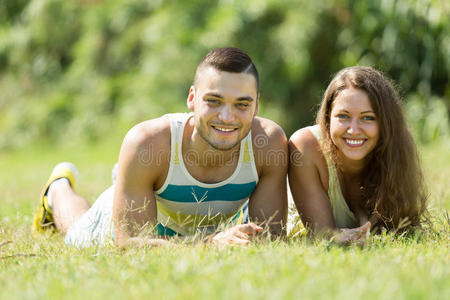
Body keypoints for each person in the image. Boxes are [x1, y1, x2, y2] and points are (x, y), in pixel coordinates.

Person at [33, 47, 288, 248]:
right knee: (76, 230)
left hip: (206, 226)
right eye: (214, 101)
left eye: (242, 105)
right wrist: (209, 245)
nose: (226, 117)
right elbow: (129, 243)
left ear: (256, 106)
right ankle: (57, 190)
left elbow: (270, 238)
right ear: (192, 98)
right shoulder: (147, 142)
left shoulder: (269, 144)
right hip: (137, 207)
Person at [288, 66, 427, 245]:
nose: (353, 130)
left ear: (386, 123)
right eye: (343, 116)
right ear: (328, 117)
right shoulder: (306, 146)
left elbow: (404, 231)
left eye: (368, 118)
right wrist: (338, 238)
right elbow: (323, 237)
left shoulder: (396, 152)